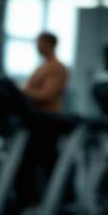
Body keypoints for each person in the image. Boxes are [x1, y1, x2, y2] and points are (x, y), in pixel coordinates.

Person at [17, 32, 69, 205]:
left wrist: (22, 92)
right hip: (35, 121)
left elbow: (48, 95)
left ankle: (57, 203)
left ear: (50, 44)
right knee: (30, 164)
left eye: (40, 43)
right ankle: (30, 203)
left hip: (48, 122)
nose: (37, 46)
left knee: (46, 164)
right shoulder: (42, 67)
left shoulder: (57, 67)